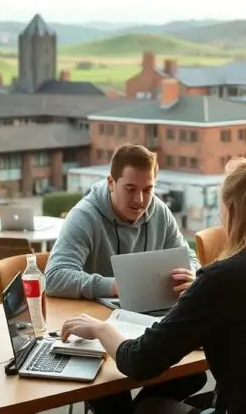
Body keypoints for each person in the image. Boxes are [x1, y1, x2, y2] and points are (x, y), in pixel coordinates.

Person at [60, 154, 246, 414]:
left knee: (151, 408)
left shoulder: (225, 277)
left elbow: (139, 361)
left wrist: (101, 328)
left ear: (233, 210)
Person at [46, 144, 206, 414]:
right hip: (99, 327)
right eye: (130, 189)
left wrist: (189, 274)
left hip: (147, 320)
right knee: (111, 394)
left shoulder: (159, 211)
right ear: (111, 182)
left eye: (148, 189)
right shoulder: (85, 216)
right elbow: (55, 277)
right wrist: (114, 286)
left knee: (192, 374)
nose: (141, 200)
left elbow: (189, 258)